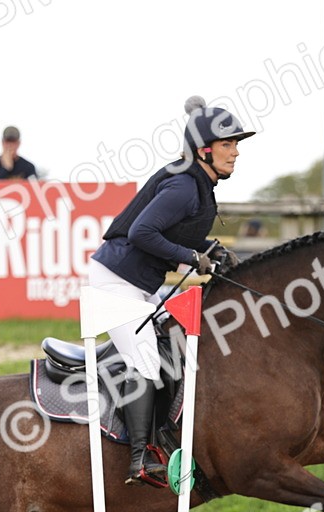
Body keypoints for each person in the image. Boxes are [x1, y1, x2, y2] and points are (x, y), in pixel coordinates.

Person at [89, 96, 254, 486]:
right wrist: (191, 257)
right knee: (145, 360)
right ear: (204, 150)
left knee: (178, 343)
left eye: (236, 145)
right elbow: (141, 232)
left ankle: (165, 433)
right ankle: (140, 459)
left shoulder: (199, 184)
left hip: (137, 286)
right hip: (114, 284)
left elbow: (175, 232)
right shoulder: (183, 186)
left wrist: (210, 249)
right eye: (227, 145)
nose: (235, 153)